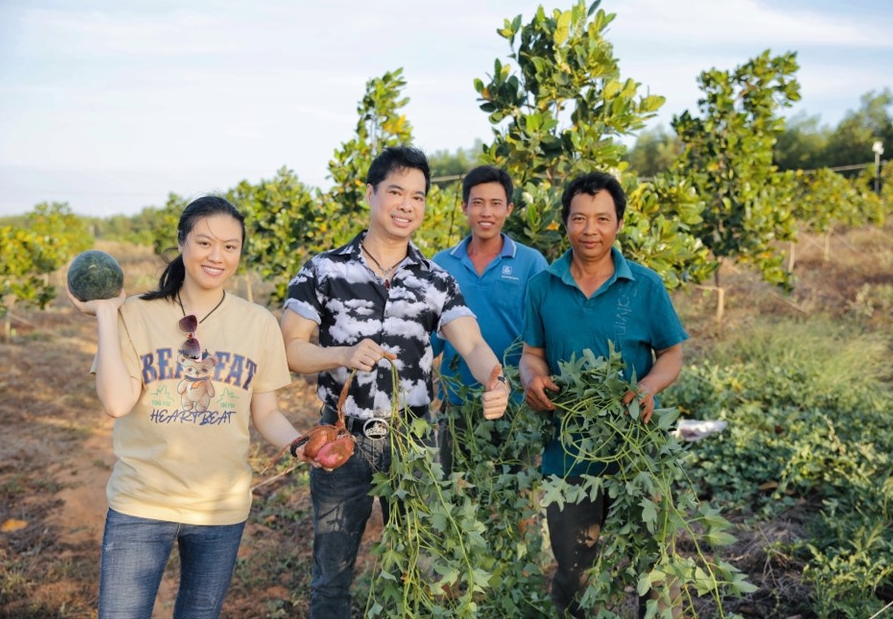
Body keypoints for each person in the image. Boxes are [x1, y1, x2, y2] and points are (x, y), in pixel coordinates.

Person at [281, 146, 511, 619]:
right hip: (342, 441)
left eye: (418, 197)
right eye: (396, 192)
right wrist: (341, 354)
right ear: (371, 194)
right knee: (332, 578)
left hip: (414, 443)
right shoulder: (323, 270)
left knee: (418, 571)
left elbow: (471, 344)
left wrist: (495, 377)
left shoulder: (436, 280)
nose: (407, 205)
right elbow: (290, 349)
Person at [68, 196, 308, 619]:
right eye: (205, 242)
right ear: (182, 242)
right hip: (142, 502)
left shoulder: (259, 323)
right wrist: (106, 312)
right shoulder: (136, 313)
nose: (217, 256)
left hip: (220, 506)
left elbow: (267, 413)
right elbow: (117, 402)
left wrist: (299, 444)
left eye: (230, 246)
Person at [519, 172, 688, 619]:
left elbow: (672, 354)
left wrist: (648, 386)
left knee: (656, 567)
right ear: (565, 222)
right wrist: (532, 379)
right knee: (575, 573)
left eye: (602, 219)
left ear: (619, 223)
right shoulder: (542, 287)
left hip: (638, 449)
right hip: (569, 454)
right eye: (579, 218)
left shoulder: (645, 285)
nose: (589, 230)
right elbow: (532, 355)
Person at [432, 165, 547, 474]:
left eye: (496, 203)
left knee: (515, 489)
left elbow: (543, 332)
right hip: (457, 402)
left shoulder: (531, 262)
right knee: (456, 489)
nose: (486, 212)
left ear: (509, 209)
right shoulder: (441, 264)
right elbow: (429, 338)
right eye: (478, 203)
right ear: (464, 207)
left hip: (516, 402)